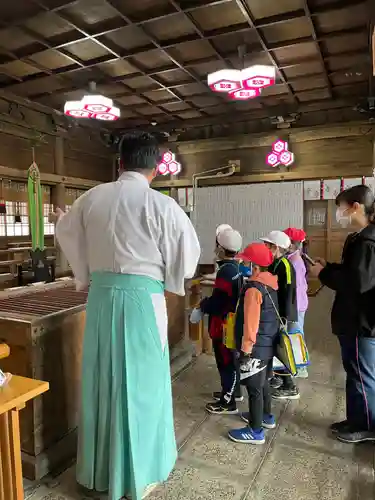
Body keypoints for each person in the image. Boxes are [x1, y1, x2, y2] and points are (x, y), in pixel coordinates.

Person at [52, 131, 201, 500]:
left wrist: (87, 271)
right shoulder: (162, 206)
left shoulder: (91, 199)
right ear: (155, 169)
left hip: (101, 299)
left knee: (103, 379)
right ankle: (140, 471)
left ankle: (100, 470)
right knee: (143, 383)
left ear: (120, 163)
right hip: (142, 301)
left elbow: (66, 232)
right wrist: (166, 274)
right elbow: (187, 261)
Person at [310, 185, 375, 443]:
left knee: (362, 375)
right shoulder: (357, 237)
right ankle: (356, 419)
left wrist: (324, 275)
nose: (339, 213)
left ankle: (367, 427)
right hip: (351, 319)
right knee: (354, 373)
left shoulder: (369, 241)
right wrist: (330, 267)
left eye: (340, 207)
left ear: (355, 207)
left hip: (362, 321)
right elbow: (351, 271)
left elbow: (358, 282)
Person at [228, 243, 279, 445]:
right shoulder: (270, 283)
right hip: (268, 343)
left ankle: (255, 430)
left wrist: (246, 350)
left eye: (246, 261)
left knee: (254, 388)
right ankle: (266, 416)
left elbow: (251, 322)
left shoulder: (253, 290)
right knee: (263, 382)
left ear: (255, 266)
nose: (243, 264)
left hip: (256, 346)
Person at [191, 226, 243, 414]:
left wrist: (202, 306)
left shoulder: (225, 272)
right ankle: (232, 392)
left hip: (223, 325)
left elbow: (218, 301)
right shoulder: (235, 268)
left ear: (221, 248)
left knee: (225, 361)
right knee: (230, 360)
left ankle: (227, 401)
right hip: (230, 322)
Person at [260, 230, 300, 400]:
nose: (265, 248)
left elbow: (289, 292)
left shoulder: (285, 265)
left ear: (276, 247)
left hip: (283, 314)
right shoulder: (275, 262)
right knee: (276, 347)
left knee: (283, 349)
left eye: (267, 245)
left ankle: (290, 386)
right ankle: (279, 377)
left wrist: (285, 317)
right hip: (276, 313)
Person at [284, 227, 309, 378]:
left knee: (296, 334)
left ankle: (301, 368)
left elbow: (296, 287)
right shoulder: (292, 258)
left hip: (297, 304)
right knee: (295, 333)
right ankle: (297, 364)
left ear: (293, 244)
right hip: (297, 304)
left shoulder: (295, 262)